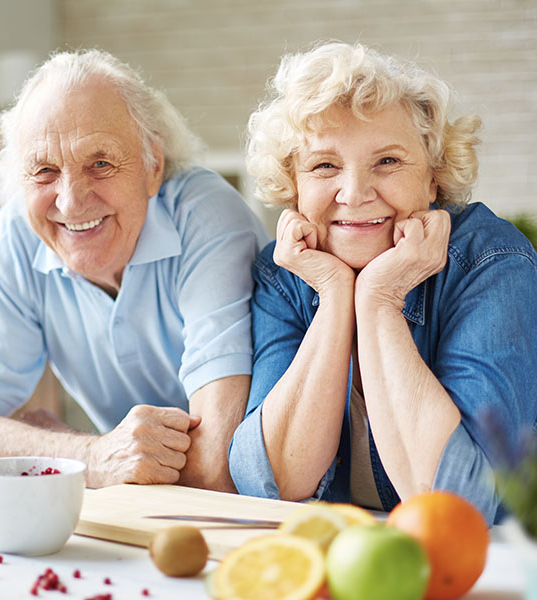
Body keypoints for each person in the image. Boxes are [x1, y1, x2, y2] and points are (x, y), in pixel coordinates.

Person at [228, 41, 537, 524]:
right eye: (324, 165)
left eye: (387, 162)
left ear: (433, 179)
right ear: (294, 184)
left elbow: (462, 502)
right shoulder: (286, 271)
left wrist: (379, 298)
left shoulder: (492, 261)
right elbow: (270, 481)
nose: (354, 194)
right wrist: (334, 296)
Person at [0, 49, 268, 492]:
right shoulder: (19, 232)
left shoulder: (205, 217)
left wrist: (51, 448)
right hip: (135, 517)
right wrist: (90, 456)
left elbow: (216, 465)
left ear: (152, 164)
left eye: (100, 164)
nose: (71, 202)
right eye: (45, 170)